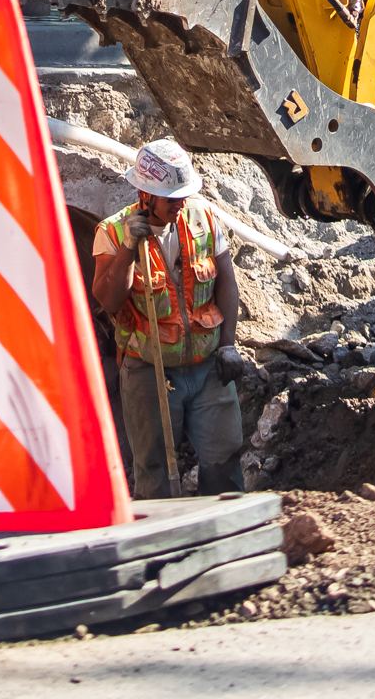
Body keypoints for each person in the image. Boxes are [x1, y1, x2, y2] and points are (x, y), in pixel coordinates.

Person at [90, 140, 249, 498]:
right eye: (170, 199)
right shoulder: (113, 232)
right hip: (150, 370)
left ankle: (223, 540)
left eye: (183, 195)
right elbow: (108, 299)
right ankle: (161, 549)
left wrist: (228, 346)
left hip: (208, 367)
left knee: (224, 460)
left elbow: (227, 283)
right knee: (155, 473)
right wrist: (130, 246)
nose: (180, 204)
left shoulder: (203, 218)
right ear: (144, 195)